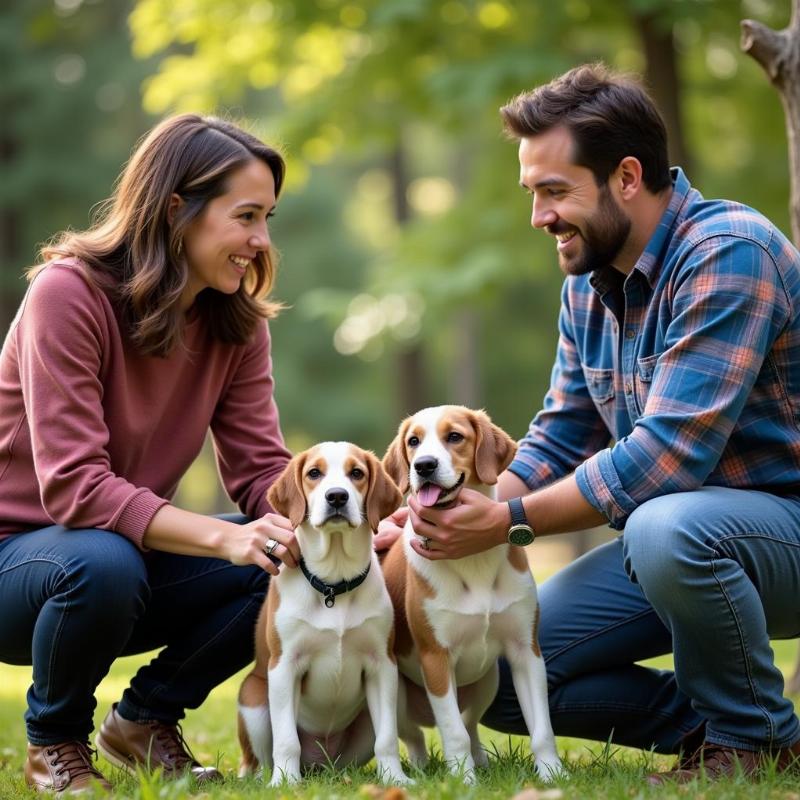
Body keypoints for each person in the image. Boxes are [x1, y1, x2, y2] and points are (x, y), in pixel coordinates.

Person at [376, 63, 800, 783]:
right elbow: (564, 431)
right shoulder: (587, 284)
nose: (539, 216)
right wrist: (456, 513)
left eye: (554, 191)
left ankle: (752, 734)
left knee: (664, 523)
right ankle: (718, 735)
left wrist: (507, 522)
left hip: (775, 531)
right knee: (508, 664)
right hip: (683, 545)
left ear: (627, 177)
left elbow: (666, 459)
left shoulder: (729, 252)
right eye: (531, 192)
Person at [0, 114, 302, 795]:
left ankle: (144, 719)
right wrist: (223, 538)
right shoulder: (68, 295)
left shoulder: (236, 324)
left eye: (268, 218)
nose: (261, 241)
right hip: (18, 564)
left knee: (286, 555)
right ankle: (55, 744)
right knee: (102, 557)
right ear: (178, 209)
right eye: (246, 216)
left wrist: (347, 523)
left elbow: (261, 473)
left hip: (116, 561)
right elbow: (76, 489)